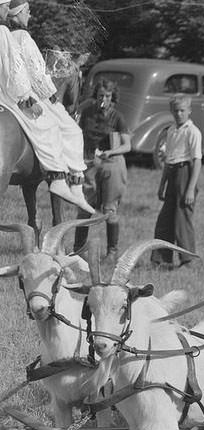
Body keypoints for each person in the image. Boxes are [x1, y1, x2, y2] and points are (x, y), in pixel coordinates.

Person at [0, 0, 95, 213]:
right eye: (27, 11)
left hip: (6, 92)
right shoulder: (16, 35)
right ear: (16, 12)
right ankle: (60, 177)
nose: (30, 15)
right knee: (58, 127)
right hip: (16, 93)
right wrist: (37, 97)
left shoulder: (8, 33)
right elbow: (26, 69)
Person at [73, 79, 130, 254]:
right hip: (90, 163)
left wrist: (111, 152)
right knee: (84, 207)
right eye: (100, 96)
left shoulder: (117, 117)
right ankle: (78, 250)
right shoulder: (87, 113)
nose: (103, 99)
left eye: (107, 96)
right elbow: (77, 135)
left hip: (112, 163)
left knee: (109, 209)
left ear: (112, 97)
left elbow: (127, 145)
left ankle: (112, 252)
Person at [150, 95, 202, 268]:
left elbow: (197, 161)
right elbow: (168, 159)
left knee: (182, 219)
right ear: (171, 112)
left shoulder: (192, 131)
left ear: (189, 111)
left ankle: (187, 260)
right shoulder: (171, 131)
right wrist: (161, 184)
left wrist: (190, 189)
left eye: (182, 111)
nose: (179, 114)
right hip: (172, 172)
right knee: (165, 219)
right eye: (176, 111)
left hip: (185, 173)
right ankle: (161, 259)